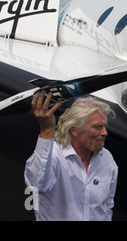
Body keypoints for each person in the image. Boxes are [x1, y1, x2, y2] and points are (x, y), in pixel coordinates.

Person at [24, 91, 118, 221]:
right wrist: (47, 131)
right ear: (75, 130)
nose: (105, 132)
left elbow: (106, 207)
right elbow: (37, 186)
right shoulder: (54, 154)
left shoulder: (107, 159)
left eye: (104, 127)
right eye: (97, 127)